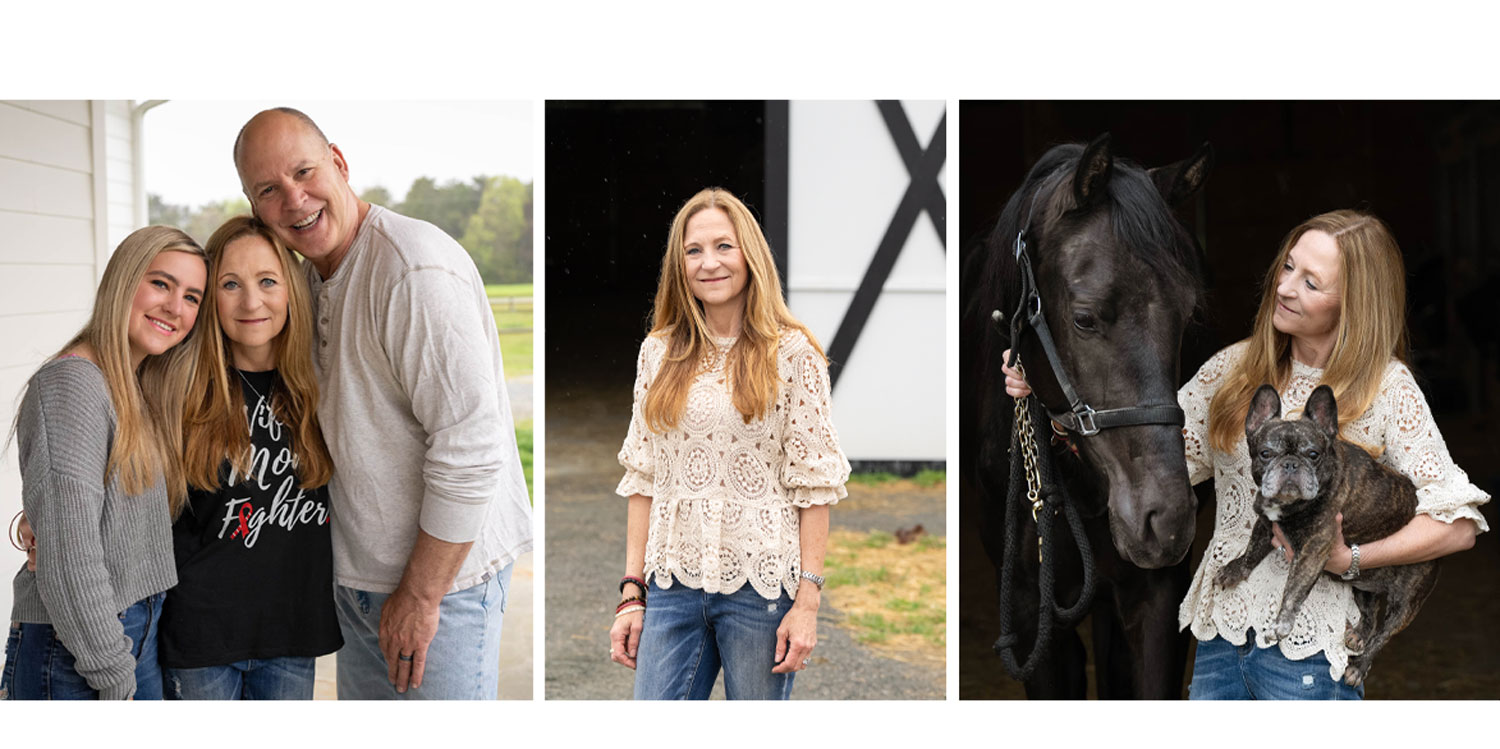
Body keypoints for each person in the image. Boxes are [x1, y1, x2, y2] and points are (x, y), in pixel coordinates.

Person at [1002, 209, 1488, 699]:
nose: (1285, 287)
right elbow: (1148, 460)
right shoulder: (1233, 370)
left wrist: (1351, 559)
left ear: (1354, 304)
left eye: (1311, 282)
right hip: (1219, 642)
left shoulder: (1387, 387)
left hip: (1309, 656)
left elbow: (1458, 526)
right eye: (1288, 267)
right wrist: (1050, 399)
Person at [232, 107, 533, 699]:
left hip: (443, 590)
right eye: (270, 189)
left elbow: (472, 447)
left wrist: (420, 598)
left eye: (305, 172)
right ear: (254, 208)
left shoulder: (410, 268)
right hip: (361, 588)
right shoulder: (308, 278)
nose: (294, 200)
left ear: (339, 163)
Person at [608, 188, 850, 700]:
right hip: (672, 585)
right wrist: (632, 592)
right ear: (679, 264)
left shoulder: (794, 354)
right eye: (694, 250)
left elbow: (815, 485)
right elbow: (643, 476)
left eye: (724, 246)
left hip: (760, 591)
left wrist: (806, 603)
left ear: (750, 256)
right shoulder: (658, 353)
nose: (709, 263)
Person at [2, 226, 208, 700]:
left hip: (131, 631)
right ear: (123, 281)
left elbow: (89, 519)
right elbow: (71, 560)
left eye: (192, 296)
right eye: (161, 283)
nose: (175, 308)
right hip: (79, 646)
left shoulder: (136, 384)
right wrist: (114, 673)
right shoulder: (73, 386)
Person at [159, 216, 342, 699]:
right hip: (200, 637)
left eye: (267, 281)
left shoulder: (321, 386)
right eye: (230, 284)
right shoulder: (180, 388)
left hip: (291, 634)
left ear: (291, 290)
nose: (251, 301)